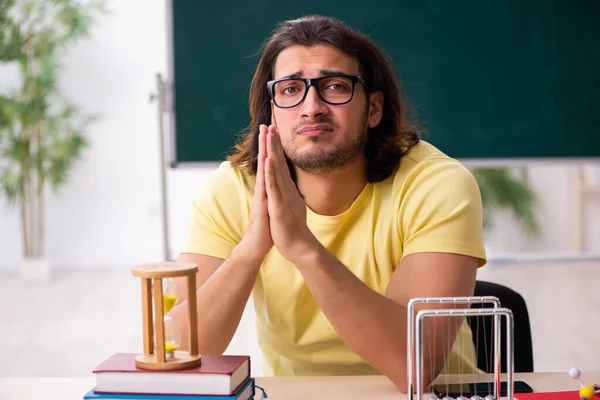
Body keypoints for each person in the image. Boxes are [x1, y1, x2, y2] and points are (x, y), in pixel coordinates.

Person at [167, 14, 486, 392]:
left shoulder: (436, 185)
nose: (311, 107)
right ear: (271, 112)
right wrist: (252, 247)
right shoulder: (232, 190)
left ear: (373, 109)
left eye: (335, 87)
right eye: (289, 90)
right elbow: (176, 353)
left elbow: (414, 367)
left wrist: (302, 246)